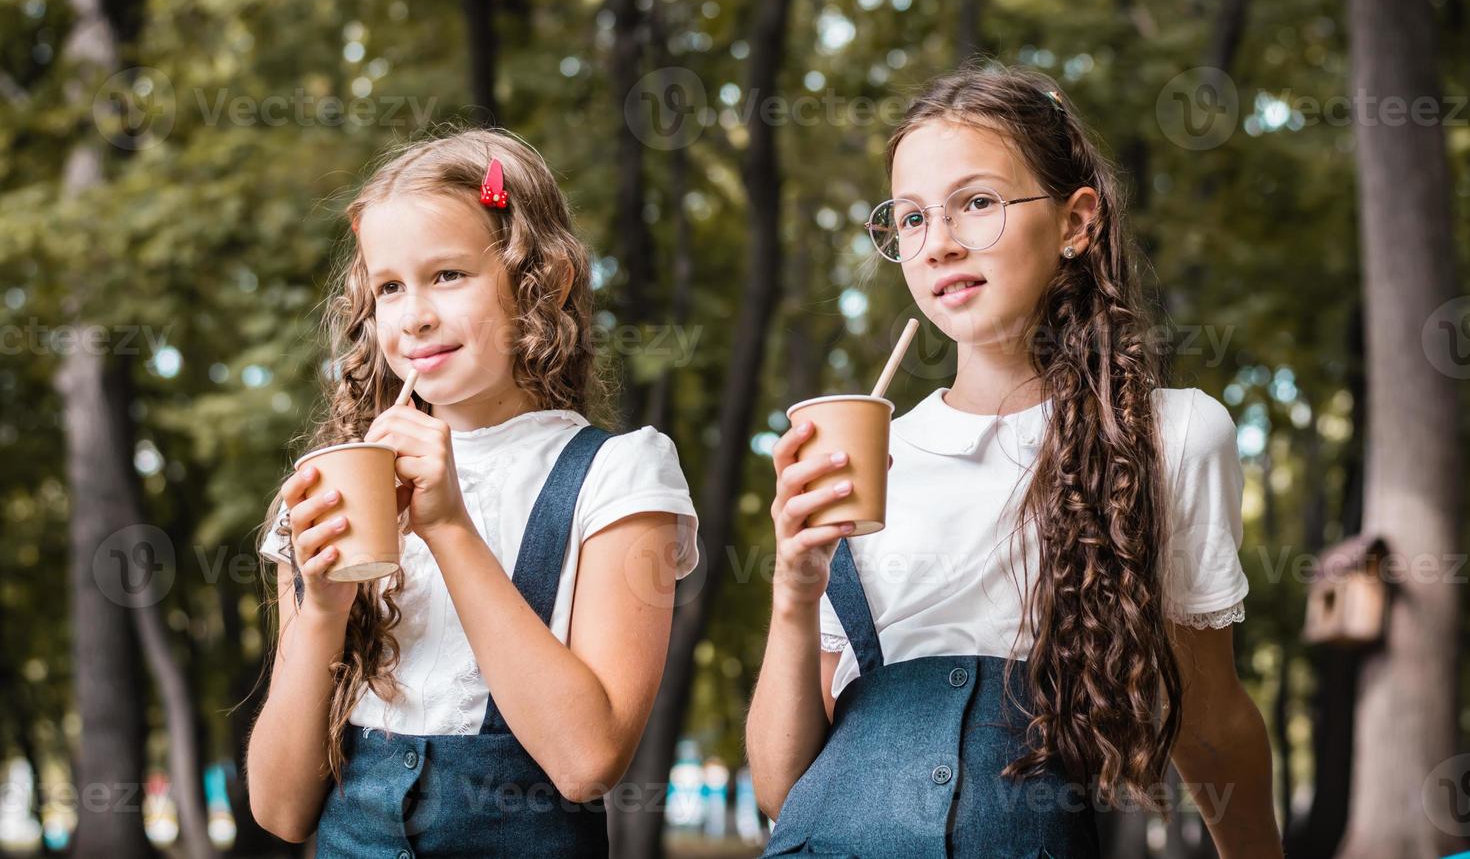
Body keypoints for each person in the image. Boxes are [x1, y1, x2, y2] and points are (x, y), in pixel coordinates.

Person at [746, 65, 1283, 858]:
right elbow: (781, 790)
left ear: (1077, 222)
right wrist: (795, 592)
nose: (941, 244)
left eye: (978, 203)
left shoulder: (1173, 437)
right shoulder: (867, 457)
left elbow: (1208, 718)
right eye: (912, 219)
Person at [246, 129, 700, 857]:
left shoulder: (617, 474)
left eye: (448, 275)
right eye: (389, 287)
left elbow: (587, 762)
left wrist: (450, 529)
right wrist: (323, 614)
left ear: (541, 283)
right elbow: (280, 808)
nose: (414, 315)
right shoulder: (331, 488)